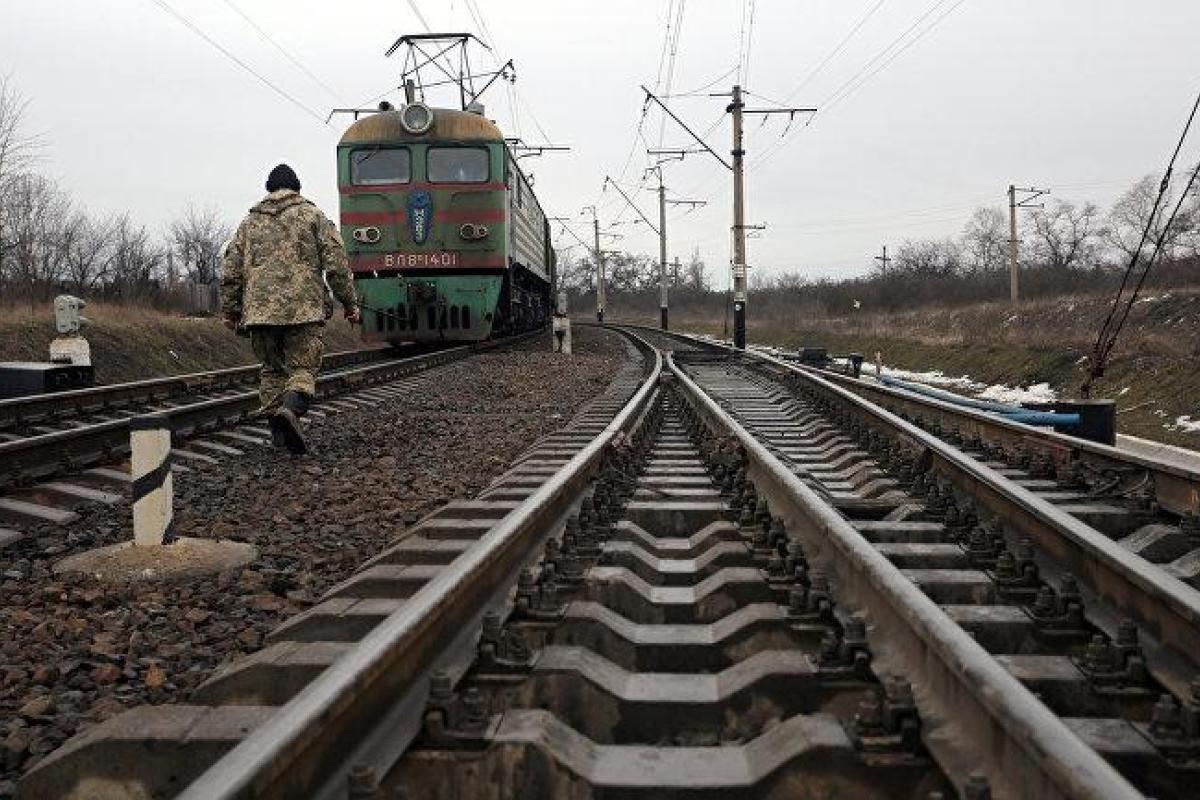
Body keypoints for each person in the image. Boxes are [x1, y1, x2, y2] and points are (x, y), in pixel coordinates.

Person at [220, 164, 360, 454]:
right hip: (304, 311)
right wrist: (349, 304)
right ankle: (291, 412)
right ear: (298, 188)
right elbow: (336, 266)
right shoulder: (313, 216)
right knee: (302, 368)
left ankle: (280, 437)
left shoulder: (249, 223)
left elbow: (230, 270)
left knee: (272, 370)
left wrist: (230, 311)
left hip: (259, 313)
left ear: (268, 189)